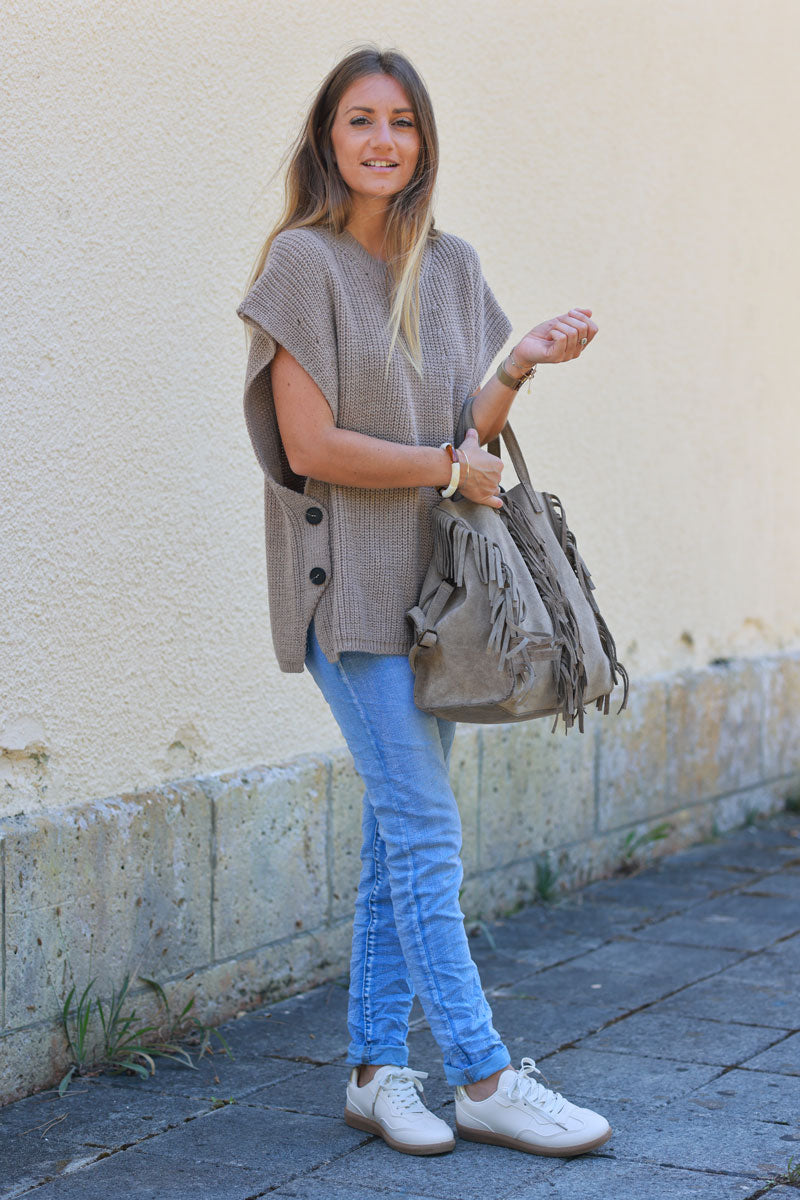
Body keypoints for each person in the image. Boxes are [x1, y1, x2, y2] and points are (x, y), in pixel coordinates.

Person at [236, 44, 611, 1160]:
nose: (382, 140)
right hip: (344, 592)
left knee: (397, 839)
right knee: (425, 833)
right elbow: (310, 446)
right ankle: (483, 1074)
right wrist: (449, 471)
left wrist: (518, 366)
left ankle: (370, 1069)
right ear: (328, 139)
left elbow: (467, 435)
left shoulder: (449, 266)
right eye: (360, 120)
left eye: (400, 121)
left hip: (432, 601)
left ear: (422, 141)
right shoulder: (300, 265)